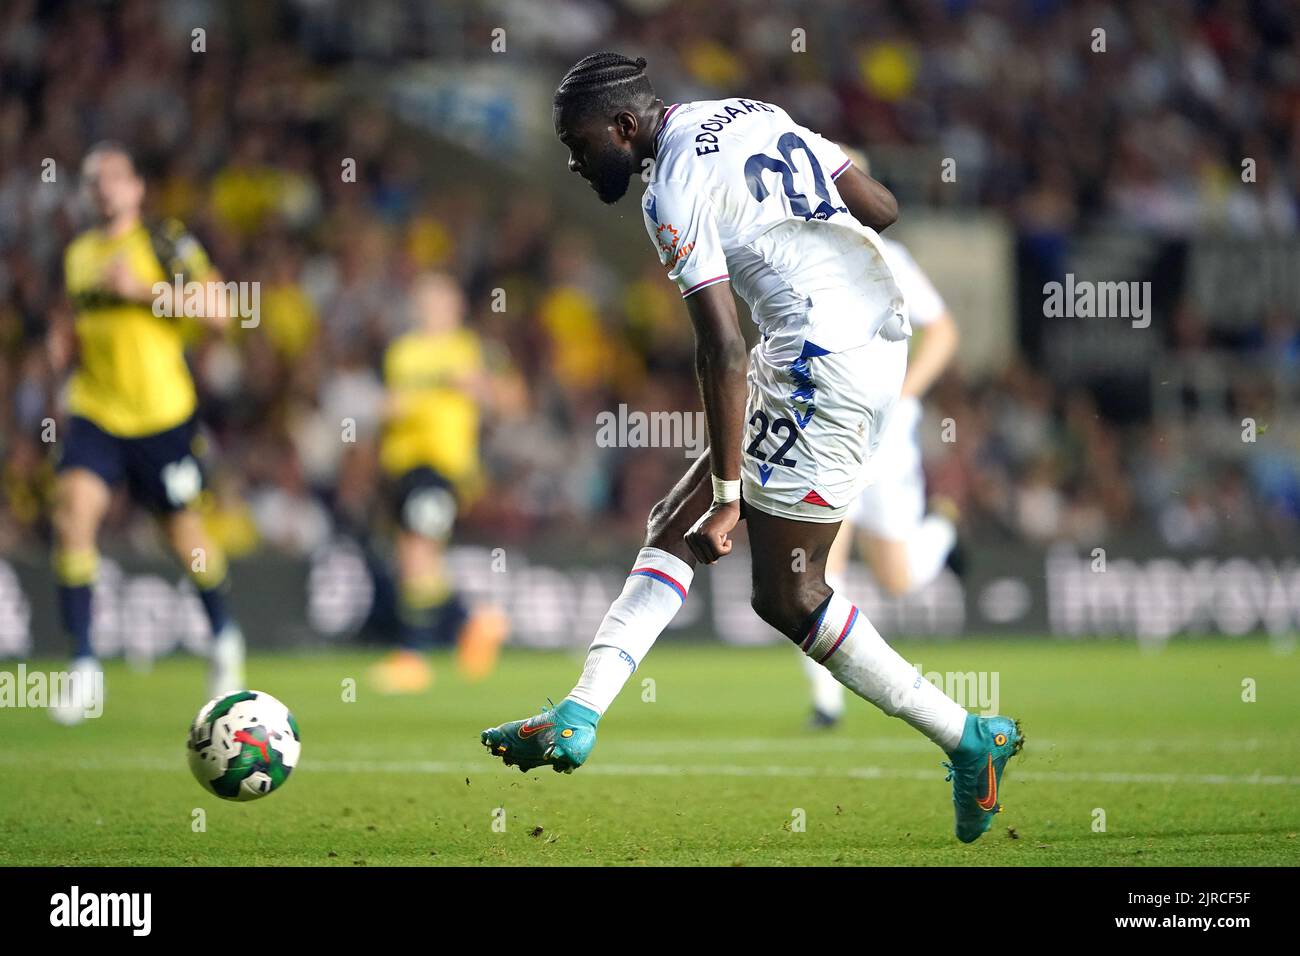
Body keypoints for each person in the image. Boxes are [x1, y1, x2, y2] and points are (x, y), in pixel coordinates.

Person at [480, 53, 1021, 843]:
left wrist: (732, 493)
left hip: (816, 364)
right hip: (863, 341)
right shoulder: (748, 112)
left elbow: (722, 350)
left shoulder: (669, 188)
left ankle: (971, 739)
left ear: (625, 127)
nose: (572, 159)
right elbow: (883, 204)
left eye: (579, 141)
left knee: (790, 593)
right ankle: (580, 709)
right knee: (680, 523)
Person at [50, 142, 243, 724]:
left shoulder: (166, 242)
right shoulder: (79, 254)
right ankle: (84, 666)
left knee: (187, 539)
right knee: (72, 512)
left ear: (135, 188)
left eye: (114, 176)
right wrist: (60, 346)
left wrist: (144, 290)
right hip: (97, 412)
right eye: (94, 180)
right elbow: (72, 317)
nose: (104, 187)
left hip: (162, 417)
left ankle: (225, 638)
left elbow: (222, 314)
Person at [803, 230, 962, 728]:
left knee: (897, 579)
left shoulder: (888, 257)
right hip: (829, 427)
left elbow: (943, 331)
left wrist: (904, 394)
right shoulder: (801, 251)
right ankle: (825, 702)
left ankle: (945, 529)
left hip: (886, 434)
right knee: (816, 565)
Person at [368, 273, 508, 694]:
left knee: (415, 555)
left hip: (441, 464)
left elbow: (508, 396)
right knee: (419, 560)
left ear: (455, 308)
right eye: (425, 300)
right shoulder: (402, 352)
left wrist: (480, 386)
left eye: (439, 301)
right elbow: (391, 403)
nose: (430, 308)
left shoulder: (469, 349)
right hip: (403, 464)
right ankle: (475, 621)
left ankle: (413, 656)